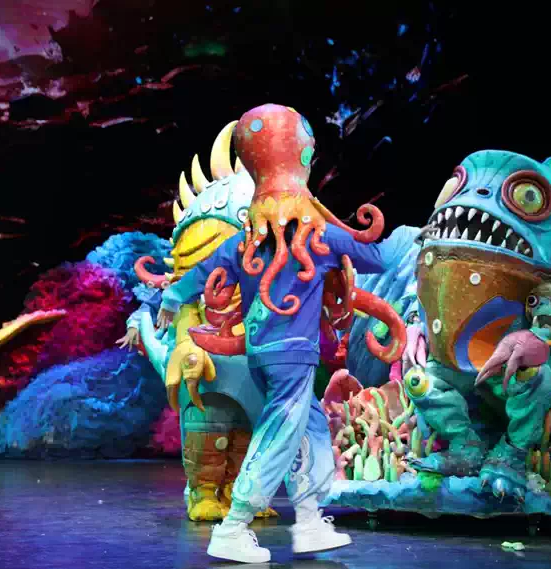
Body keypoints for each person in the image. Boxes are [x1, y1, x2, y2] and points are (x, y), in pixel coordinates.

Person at [157, 104, 407, 563]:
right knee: (279, 432)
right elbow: (381, 258)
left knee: (309, 428)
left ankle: (309, 521)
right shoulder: (321, 236)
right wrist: (415, 236)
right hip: (291, 356)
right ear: (305, 160)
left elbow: (199, 276)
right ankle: (233, 527)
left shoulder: (244, 241)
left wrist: (172, 300)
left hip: (261, 351)